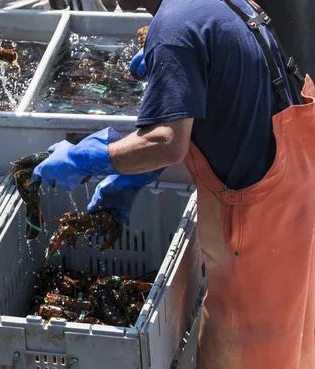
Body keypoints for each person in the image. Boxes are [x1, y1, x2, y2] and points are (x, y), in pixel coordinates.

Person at [31, 0, 315, 367]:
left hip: (260, 222)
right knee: (295, 337)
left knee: (253, 352)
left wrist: (85, 158)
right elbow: (219, 109)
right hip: (296, 188)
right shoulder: (215, 6)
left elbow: (168, 142)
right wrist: (133, 176)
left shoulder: (175, 28)